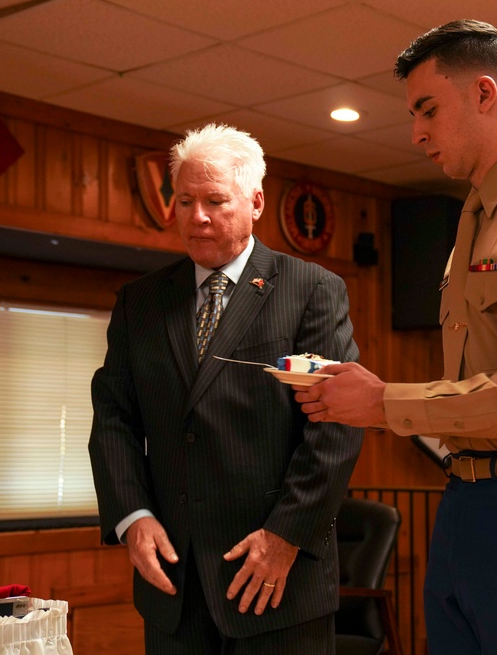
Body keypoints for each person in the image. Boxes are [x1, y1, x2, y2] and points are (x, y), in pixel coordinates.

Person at [295, 20, 497, 655]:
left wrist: (384, 403)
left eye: (427, 109)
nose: (416, 132)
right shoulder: (473, 224)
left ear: (483, 93)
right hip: (467, 494)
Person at [89, 123, 363, 654]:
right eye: (185, 200)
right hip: (174, 582)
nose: (197, 217)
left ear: (256, 201)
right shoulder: (140, 302)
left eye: (215, 200)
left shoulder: (311, 291)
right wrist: (131, 517)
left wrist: (286, 536)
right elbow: (114, 419)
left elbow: (333, 427)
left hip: (276, 578)